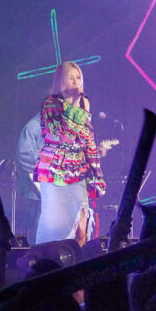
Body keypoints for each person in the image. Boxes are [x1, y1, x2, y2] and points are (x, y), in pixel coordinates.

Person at [34, 61, 105, 245]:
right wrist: (75, 107)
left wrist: (96, 174)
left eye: (78, 77)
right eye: (71, 77)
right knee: (55, 225)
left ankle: (80, 259)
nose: (76, 82)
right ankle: (48, 260)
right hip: (54, 172)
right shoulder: (50, 103)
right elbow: (61, 135)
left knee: (82, 222)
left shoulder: (83, 104)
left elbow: (88, 139)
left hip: (77, 171)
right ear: (61, 80)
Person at [15, 114, 44, 241]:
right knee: (37, 234)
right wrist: (47, 170)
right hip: (36, 192)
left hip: (52, 192)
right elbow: (24, 154)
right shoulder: (34, 126)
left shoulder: (57, 127)